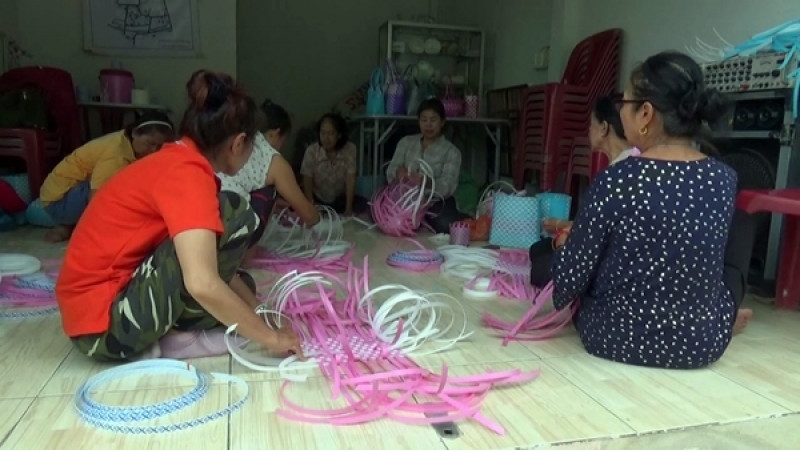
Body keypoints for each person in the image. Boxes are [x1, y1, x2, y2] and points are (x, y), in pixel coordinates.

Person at [55, 70, 304, 362]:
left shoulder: (178, 160)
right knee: (235, 214)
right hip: (105, 328)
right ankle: (180, 338)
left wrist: (260, 312)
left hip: (98, 313)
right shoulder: (186, 175)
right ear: (237, 144)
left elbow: (209, 264)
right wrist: (271, 338)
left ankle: (178, 329)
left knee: (242, 287)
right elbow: (201, 281)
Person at [549, 51, 752, 369]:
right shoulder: (723, 179)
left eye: (624, 104)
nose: (621, 113)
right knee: (738, 235)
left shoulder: (616, 179)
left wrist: (563, 248)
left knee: (578, 255)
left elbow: (567, 286)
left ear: (645, 113)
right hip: (699, 343)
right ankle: (719, 317)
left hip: (611, 336)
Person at [40, 112, 173, 242]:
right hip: (59, 201)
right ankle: (79, 227)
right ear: (135, 133)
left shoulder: (128, 142)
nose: (155, 150)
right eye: (150, 143)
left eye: (159, 146)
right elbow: (96, 197)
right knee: (115, 192)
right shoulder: (116, 156)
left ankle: (68, 226)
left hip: (64, 196)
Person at [218, 99, 319, 254]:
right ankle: (242, 258)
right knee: (269, 189)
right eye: (283, 141)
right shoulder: (272, 159)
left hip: (203, 225)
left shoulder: (233, 138)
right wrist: (316, 214)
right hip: (230, 231)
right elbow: (309, 216)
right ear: (275, 133)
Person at [541, 96, 636, 236]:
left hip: (609, 250)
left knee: (540, 251)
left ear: (603, 128)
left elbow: (595, 231)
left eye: (591, 125)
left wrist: (559, 226)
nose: (589, 131)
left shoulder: (613, 175)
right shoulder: (637, 160)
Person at [386, 98, 469, 233]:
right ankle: (418, 219)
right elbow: (391, 169)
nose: (428, 125)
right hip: (405, 199)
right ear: (418, 121)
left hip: (435, 202)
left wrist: (427, 182)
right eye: (424, 120)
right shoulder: (406, 142)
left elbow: (449, 185)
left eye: (433, 120)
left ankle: (423, 218)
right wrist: (398, 174)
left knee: (446, 224)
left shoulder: (452, 152)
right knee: (377, 212)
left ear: (442, 122)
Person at [300, 113, 366, 215]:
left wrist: (348, 208)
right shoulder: (312, 151)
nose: (326, 138)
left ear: (339, 135)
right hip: (318, 199)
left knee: (365, 205)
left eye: (330, 133)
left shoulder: (350, 149)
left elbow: (350, 178)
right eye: (323, 133)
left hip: (340, 200)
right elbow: (307, 179)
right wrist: (311, 206)